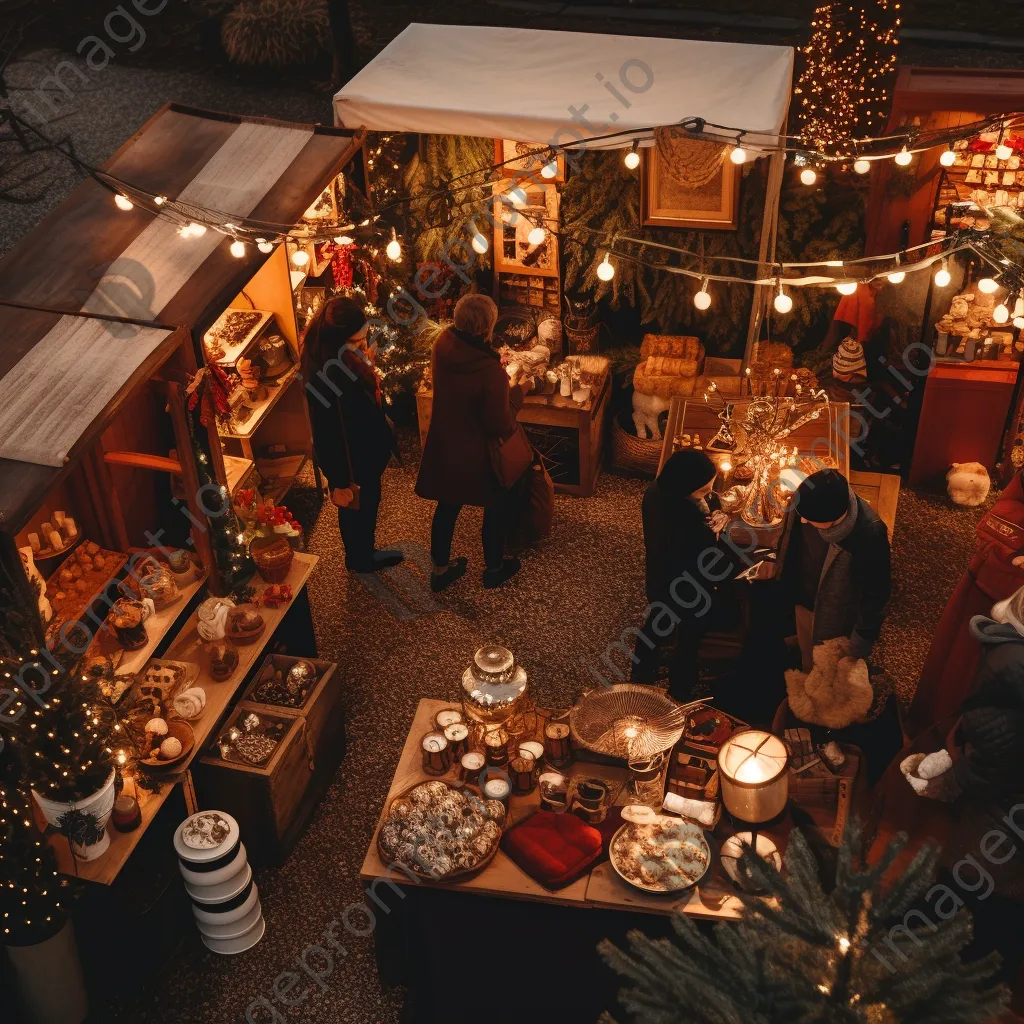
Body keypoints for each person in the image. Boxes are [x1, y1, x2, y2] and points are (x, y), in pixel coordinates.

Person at [868, 584, 1024, 1009]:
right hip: (1000, 844)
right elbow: (989, 768)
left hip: (997, 840)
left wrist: (958, 752)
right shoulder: (1010, 682)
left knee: (965, 905)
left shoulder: (1005, 677)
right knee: (985, 918)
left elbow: (981, 774)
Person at [415, 293, 532, 591]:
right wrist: (520, 391)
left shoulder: (442, 344)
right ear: (487, 329)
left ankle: (440, 570)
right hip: (480, 453)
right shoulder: (490, 372)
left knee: (447, 505)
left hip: (446, 442)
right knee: (495, 505)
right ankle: (494, 568)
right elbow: (499, 424)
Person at [907, 470, 1024, 735]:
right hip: (1004, 587)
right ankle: (946, 727)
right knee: (974, 659)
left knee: (966, 652)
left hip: (996, 579)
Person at [302, 296, 402, 573]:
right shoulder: (325, 377)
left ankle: (363, 551)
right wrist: (339, 480)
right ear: (338, 340)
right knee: (358, 506)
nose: (362, 345)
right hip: (352, 460)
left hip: (363, 450)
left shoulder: (336, 357)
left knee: (365, 505)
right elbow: (325, 432)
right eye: (357, 341)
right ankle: (360, 558)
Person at [763, 468, 891, 672]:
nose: (803, 521)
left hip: (835, 616)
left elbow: (876, 593)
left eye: (810, 519)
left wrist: (862, 640)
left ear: (835, 517)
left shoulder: (868, 533)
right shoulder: (804, 503)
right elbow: (786, 535)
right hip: (802, 599)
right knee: (808, 657)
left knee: (828, 668)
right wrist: (773, 557)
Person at [631, 449, 731, 701]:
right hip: (689, 593)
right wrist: (718, 534)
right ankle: (679, 693)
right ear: (685, 488)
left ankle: (640, 679)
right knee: (688, 641)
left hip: (660, 580)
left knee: (655, 626)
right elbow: (713, 566)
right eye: (703, 489)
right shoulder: (688, 527)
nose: (709, 492)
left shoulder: (658, 492)